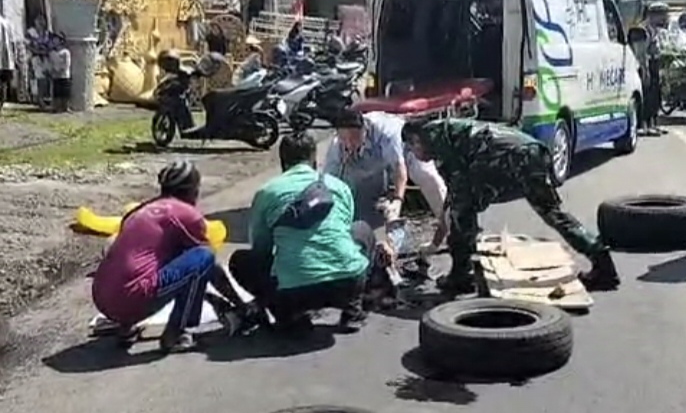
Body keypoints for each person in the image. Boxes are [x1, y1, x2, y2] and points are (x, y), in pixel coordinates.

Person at [399, 118, 619, 294]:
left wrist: (441, 239)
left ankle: (461, 275)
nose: (416, 156)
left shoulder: (435, 139)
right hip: (532, 150)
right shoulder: (445, 132)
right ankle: (601, 260)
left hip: (510, 158)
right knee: (553, 213)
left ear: (415, 140)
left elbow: (457, 197)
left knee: (463, 212)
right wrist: (436, 241)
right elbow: (452, 198)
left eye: (412, 149)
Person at [90, 160, 254, 352]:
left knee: (151, 262)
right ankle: (174, 335)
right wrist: (240, 304)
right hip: (130, 300)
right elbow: (209, 265)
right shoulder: (186, 215)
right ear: (193, 190)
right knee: (204, 256)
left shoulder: (139, 210)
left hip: (102, 297)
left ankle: (126, 328)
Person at [230, 131, 372, 334]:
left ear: (282, 162)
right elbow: (345, 232)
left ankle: (289, 317)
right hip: (346, 284)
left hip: (295, 293)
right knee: (362, 230)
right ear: (314, 159)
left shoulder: (268, 192)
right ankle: (352, 310)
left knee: (241, 260)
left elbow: (261, 248)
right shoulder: (339, 186)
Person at [322, 109, 447, 258]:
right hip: (372, 163)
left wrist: (397, 201)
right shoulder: (337, 146)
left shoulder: (385, 132)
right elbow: (328, 182)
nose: (349, 144)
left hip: (406, 150)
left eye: (354, 138)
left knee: (427, 177)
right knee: (361, 203)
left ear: (364, 131)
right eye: (345, 140)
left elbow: (399, 170)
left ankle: (449, 227)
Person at [638, 2, 670, 136]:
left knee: (656, 95)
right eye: (663, 15)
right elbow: (641, 53)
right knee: (647, 96)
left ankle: (654, 124)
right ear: (653, 15)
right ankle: (644, 125)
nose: (665, 18)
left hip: (655, 63)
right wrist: (645, 71)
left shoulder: (656, 30)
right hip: (647, 65)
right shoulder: (643, 30)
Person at [46, 32, 71, 113]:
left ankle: (66, 107)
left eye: (57, 39)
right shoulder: (52, 53)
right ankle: (56, 107)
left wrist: (60, 69)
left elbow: (66, 64)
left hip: (64, 75)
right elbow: (50, 63)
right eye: (54, 39)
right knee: (56, 92)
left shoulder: (65, 52)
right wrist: (51, 70)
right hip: (55, 76)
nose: (54, 40)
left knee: (65, 92)